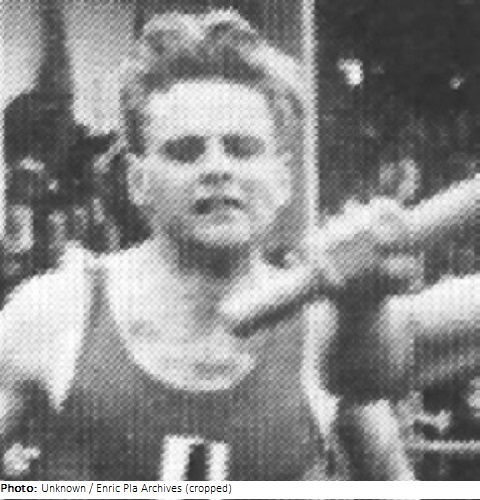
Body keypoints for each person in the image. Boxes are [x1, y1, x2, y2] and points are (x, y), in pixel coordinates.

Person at [0, 10, 478, 481]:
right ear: (137, 182)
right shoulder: (54, 313)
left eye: (242, 149)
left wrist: (365, 305)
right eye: (185, 151)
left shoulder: (327, 334)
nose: (217, 168)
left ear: (283, 180)